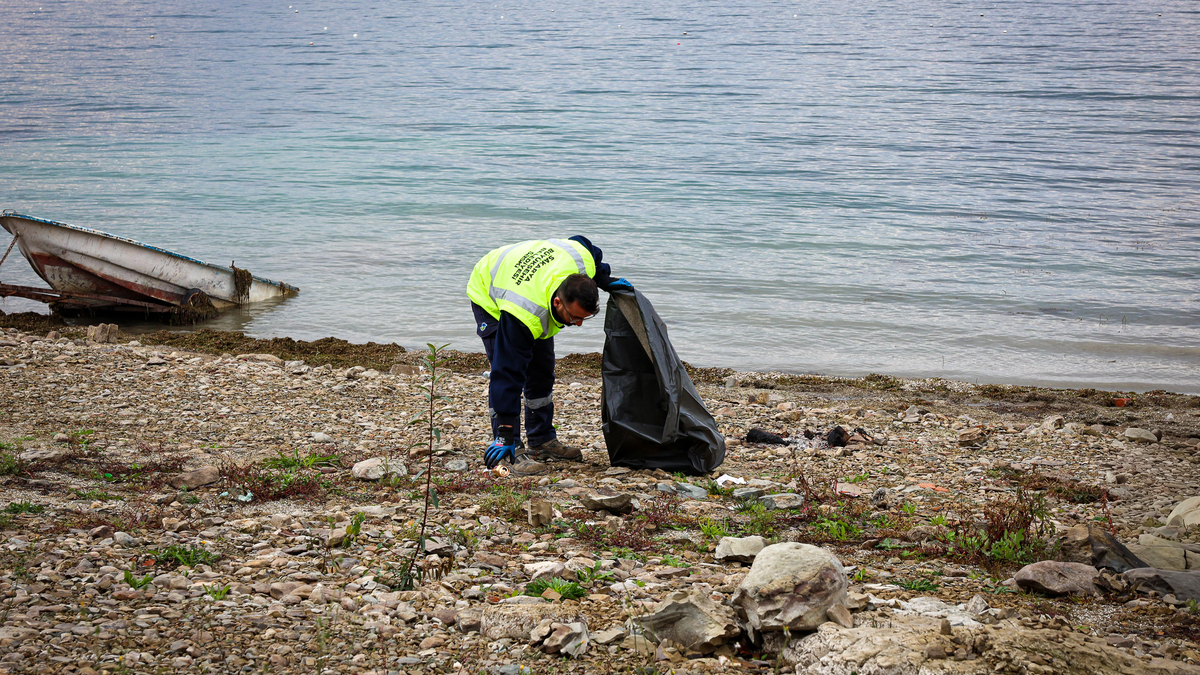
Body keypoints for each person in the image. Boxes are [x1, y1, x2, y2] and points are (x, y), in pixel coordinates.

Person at [466, 236, 631, 475]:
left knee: (541, 370)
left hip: (532, 282)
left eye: (585, 318)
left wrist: (604, 279)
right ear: (557, 302)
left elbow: (584, 244)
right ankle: (510, 446)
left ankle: (541, 440)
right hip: (489, 290)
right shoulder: (523, 313)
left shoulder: (580, 261)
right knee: (511, 371)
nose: (579, 324)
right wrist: (504, 431)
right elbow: (507, 374)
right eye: (574, 318)